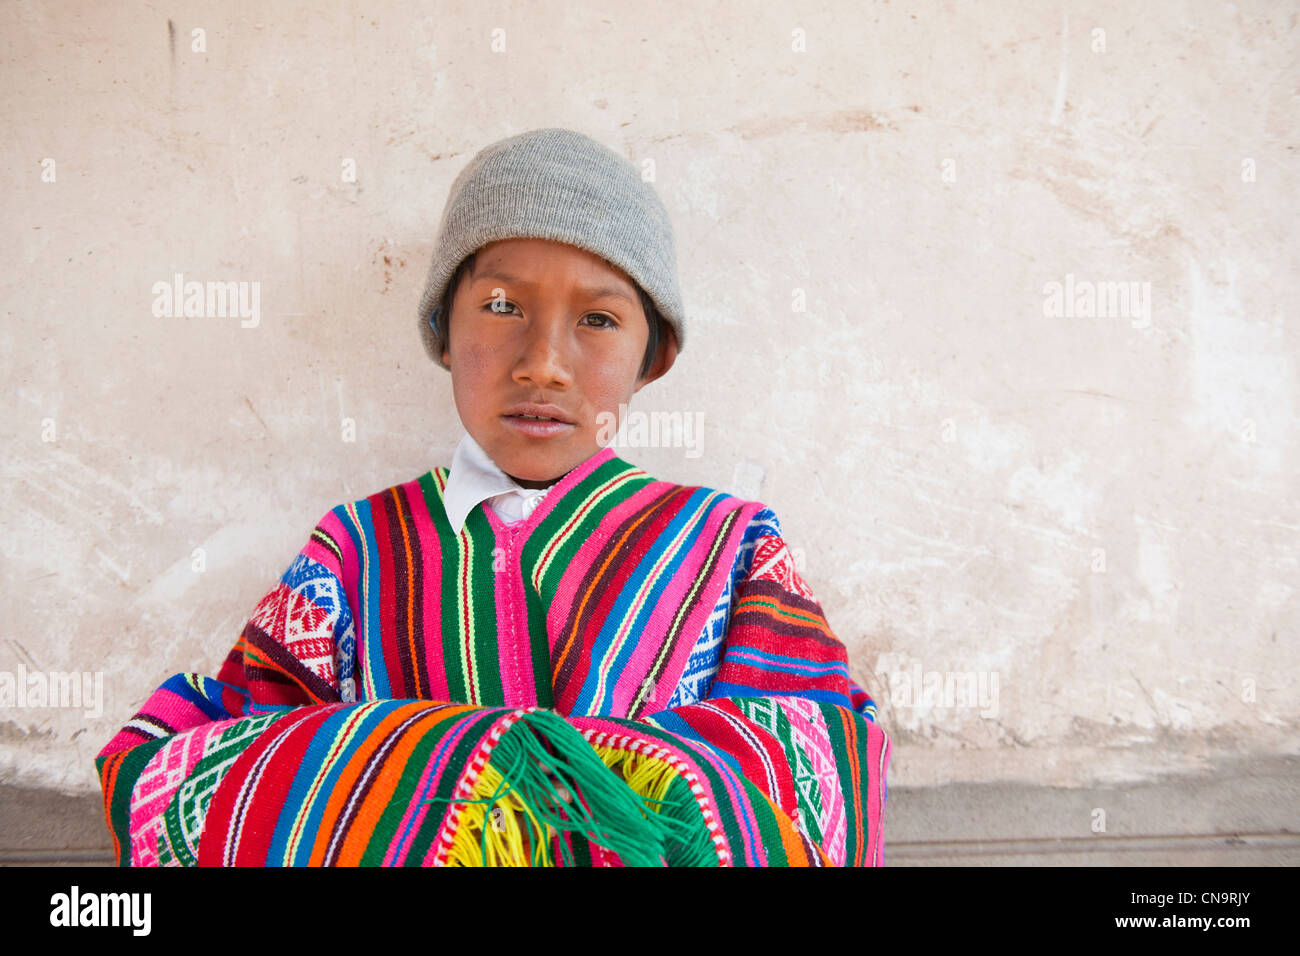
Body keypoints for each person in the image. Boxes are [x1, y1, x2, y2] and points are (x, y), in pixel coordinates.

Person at [95, 127, 892, 866]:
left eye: (599, 318)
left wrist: (614, 777)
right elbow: (209, 757)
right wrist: (462, 759)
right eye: (502, 306)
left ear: (656, 356)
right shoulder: (357, 551)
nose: (543, 363)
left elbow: (826, 759)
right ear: (443, 329)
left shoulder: (727, 545)